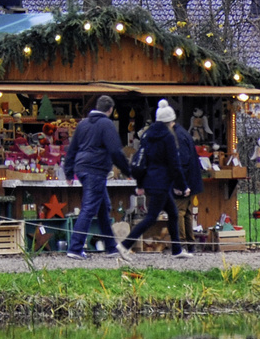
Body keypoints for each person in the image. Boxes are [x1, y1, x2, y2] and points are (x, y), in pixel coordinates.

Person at [64, 95, 132, 259]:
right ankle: (75, 248)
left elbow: (72, 148)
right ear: (110, 110)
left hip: (82, 168)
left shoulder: (83, 124)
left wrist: (68, 171)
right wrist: (128, 171)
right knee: (89, 208)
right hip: (96, 169)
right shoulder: (106, 124)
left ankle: (111, 247)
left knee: (103, 208)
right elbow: (116, 150)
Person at [121, 100, 190, 257]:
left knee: (172, 213)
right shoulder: (168, 137)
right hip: (161, 182)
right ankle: (125, 245)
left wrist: (140, 183)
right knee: (151, 218)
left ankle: (177, 249)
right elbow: (174, 164)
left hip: (151, 181)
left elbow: (142, 160)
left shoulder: (147, 135)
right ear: (169, 121)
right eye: (172, 121)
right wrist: (183, 185)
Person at [169, 103, 206, 253]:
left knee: (178, 212)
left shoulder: (177, 136)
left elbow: (182, 162)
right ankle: (190, 244)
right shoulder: (182, 133)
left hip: (185, 182)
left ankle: (181, 244)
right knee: (187, 213)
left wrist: (180, 184)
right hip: (191, 180)